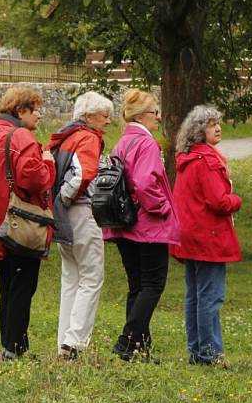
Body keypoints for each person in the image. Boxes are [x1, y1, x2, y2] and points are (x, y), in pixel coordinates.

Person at [0, 86, 56, 361]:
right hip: (19, 223)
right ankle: (14, 348)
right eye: (36, 109)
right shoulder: (22, 137)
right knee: (23, 283)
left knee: (7, 281)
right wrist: (48, 164)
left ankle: (10, 344)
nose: (40, 115)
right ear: (21, 111)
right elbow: (34, 179)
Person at [103, 89, 179, 362]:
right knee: (153, 284)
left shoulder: (122, 142)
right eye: (154, 113)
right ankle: (127, 340)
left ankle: (139, 347)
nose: (158, 118)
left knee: (137, 285)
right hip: (148, 225)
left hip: (124, 224)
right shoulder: (146, 144)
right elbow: (146, 182)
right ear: (143, 116)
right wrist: (163, 208)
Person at [170, 105, 241, 366]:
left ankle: (196, 349)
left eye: (218, 123)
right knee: (210, 296)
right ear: (200, 131)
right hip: (208, 235)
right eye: (212, 125)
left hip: (189, 233)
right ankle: (209, 353)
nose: (218, 128)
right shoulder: (208, 161)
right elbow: (219, 201)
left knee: (195, 295)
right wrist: (237, 200)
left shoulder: (187, 159)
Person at [47, 91, 113, 360]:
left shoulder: (66, 136)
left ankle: (64, 339)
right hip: (82, 212)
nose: (108, 121)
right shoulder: (88, 137)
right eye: (104, 115)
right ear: (88, 117)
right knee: (91, 277)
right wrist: (66, 197)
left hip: (63, 216)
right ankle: (74, 343)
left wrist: (60, 203)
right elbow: (83, 174)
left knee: (71, 278)